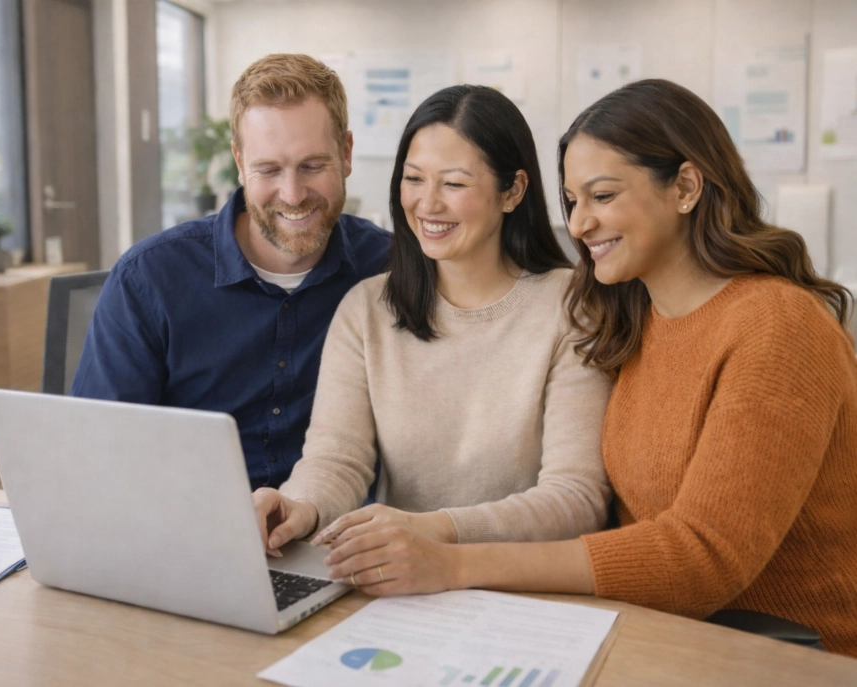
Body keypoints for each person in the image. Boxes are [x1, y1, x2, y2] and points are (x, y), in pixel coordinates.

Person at [318, 79, 857, 657]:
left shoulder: (777, 326)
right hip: (651, 633)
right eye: (573, 202)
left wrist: (452, 562)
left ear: (686, 186)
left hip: (780, 655)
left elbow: (701, 559)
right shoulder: (635, 319)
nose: (577, 226)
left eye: (602, 197)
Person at [252, 85, 611, 558]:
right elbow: (337, 460)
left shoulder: (571, 307)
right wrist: (301, 506)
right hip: (400, 584)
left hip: (525, 589)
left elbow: (577, 499)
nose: (427, 204)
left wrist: (434, 533)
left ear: (513, 191)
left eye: (454, 184)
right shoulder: (366, 309)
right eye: (414, 179)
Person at [71, 54, 391, 490]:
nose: (293, 194)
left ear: (347, 153)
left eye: (313, 166)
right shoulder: (149, 279)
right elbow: (97, 450)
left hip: (338, 538)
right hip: (188, 535)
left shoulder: (388, 269)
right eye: (268, 169)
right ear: (239, 162)